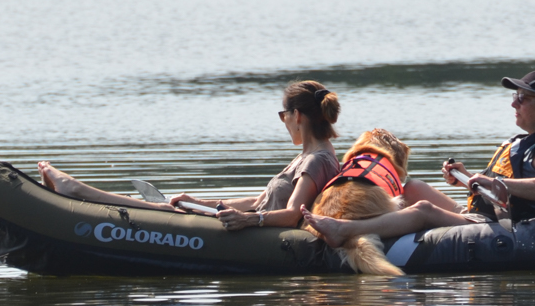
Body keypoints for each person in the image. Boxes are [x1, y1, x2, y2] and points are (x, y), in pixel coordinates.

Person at [302, 70, 535, 247]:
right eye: (516, 95)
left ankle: (346, 230)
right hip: (483, 213)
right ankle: (384, 233)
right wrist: (467, 178)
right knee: (411, 187)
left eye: (523, 98)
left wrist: (500, 184)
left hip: (505, 224)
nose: (514, 103)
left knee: (423, 208)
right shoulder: (524, 141)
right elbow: (501, 188)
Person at [37, 80, 341, 231]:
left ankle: (75, 190)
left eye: (283, 115)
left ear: (297, 115)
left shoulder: (316, 160)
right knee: (173, 207)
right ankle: (75, 192)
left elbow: (293, 214)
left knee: (167, 214)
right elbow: (256, 200)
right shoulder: (309, 155)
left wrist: (249, 221)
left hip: (256, 233)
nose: (283, 121)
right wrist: (199, 202)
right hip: (246, 224)